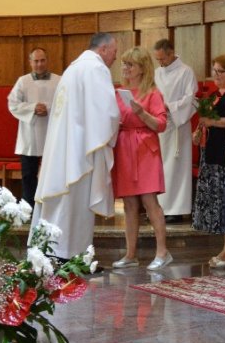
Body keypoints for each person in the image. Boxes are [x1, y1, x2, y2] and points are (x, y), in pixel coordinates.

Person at [28, 33, 120, 260]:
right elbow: (107, 112)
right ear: (103, 49)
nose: (115, 57)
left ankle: (52, 252)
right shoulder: (96, 68)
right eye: (114, 52)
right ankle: (70, 255)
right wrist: (117, 126)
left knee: (61, 198)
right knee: (74, 201)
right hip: (80, 150)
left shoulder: (72, 69)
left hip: (63, 147)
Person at [111, 47, 173, 271]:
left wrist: (140, 113)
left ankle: (162, 252)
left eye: (130, 64)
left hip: (146, 149)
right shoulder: (118, 92)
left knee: (149, 201)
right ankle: (130, 254)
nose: (125, 68)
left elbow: (161, 125)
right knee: (129, 203)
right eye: (124, 63)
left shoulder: (152, 93)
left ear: (142, 68)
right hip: (124, 148)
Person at [191, 54, 225, 268]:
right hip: (211, 154)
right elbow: (206, 121)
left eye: (220, 71)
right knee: (218, 203)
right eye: (214, 71)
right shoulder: (214, 95)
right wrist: (199, 131)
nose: (216, 75)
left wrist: (214, 122)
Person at [7, 48, 61, 209]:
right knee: (29, 174)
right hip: (29, 134)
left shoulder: (59, 81)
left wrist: (48, 109)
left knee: (53, 174)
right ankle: (28, 209)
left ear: (47, 61)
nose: (39, 64)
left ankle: (52, 206)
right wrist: (33, 108)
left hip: (52, 133)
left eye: (42, 60)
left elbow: (66, 102)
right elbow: (13, 103)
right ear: (30, 62)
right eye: (36, 61)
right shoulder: (23, 81)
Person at [153, 39, 198, 223]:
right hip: (160, 126)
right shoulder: (157, 72)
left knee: (176, 167)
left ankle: (176, 209)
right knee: (160, 167)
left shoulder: (186, 72)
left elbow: (191, 99)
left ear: (171, 53)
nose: (160, 63)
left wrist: (169, 107)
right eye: (157, 59)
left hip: (178, 125)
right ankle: (159, 208)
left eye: (162, 58)